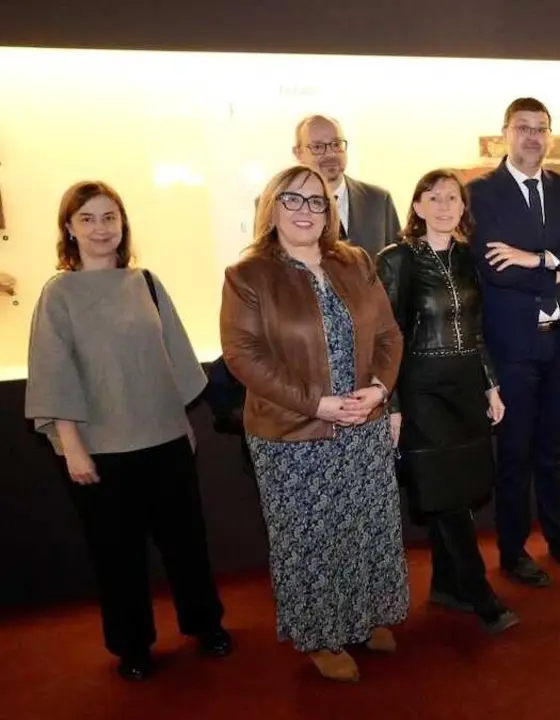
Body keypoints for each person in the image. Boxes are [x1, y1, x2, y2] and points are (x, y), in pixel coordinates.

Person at [25, 181, 231, 682]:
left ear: (123, 224)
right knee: (116, 556)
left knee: (187, 544)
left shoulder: (147, 284)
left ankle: (206, 625)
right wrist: (71, 448)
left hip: (164, 440)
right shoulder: (59, 294)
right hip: (99, 451)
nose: (101, 228)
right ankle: (133, 646)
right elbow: (55, 373)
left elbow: (173, 361)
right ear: (69, 230)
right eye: (88, 218)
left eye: (109, 217)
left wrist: (183, 426)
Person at [220, 165, 408, 683]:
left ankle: (367, 616)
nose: (306, 211)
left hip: (363, 422)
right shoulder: (249, 275)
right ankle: (322, 636)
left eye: (317, 202)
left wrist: (379, 391)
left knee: (366, 527)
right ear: (272, 207)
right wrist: (316, 404)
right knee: (310, 540)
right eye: (293, 200)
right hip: (293, 434)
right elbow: (243, 356)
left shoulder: (355, 262)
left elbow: (389, 335)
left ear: (331, 212)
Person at [466, 97, 560, 587]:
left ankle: (559, 536)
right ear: (505, 133)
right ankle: (511, 549)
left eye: (541, 128)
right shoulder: (480, 193)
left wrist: (538, 260)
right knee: (515, 454)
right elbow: (492, 268)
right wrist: (559, 265)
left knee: (554, 450)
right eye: (523, 127)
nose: (533, 137)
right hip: (513, 345)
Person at [375, 169, 519, 634]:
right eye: (432, 197)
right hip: (421, 387)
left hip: (463, 384)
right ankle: (480, 594)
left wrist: (490, 384)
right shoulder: (395, 259)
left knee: (455, 489)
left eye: (452, 198)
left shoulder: (467, 257)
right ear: (416, 206)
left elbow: (475, 331)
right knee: (449, 493)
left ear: (462, 207)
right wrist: (392, 404)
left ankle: (445, 585)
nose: (443, 205)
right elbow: (387, 335)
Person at [291, 114, 401, 258]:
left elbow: (397, 268)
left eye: (336, 144)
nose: (330, 154)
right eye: (317, 147)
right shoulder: (277, 205)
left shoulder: (379, 200)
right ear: (298, 153)